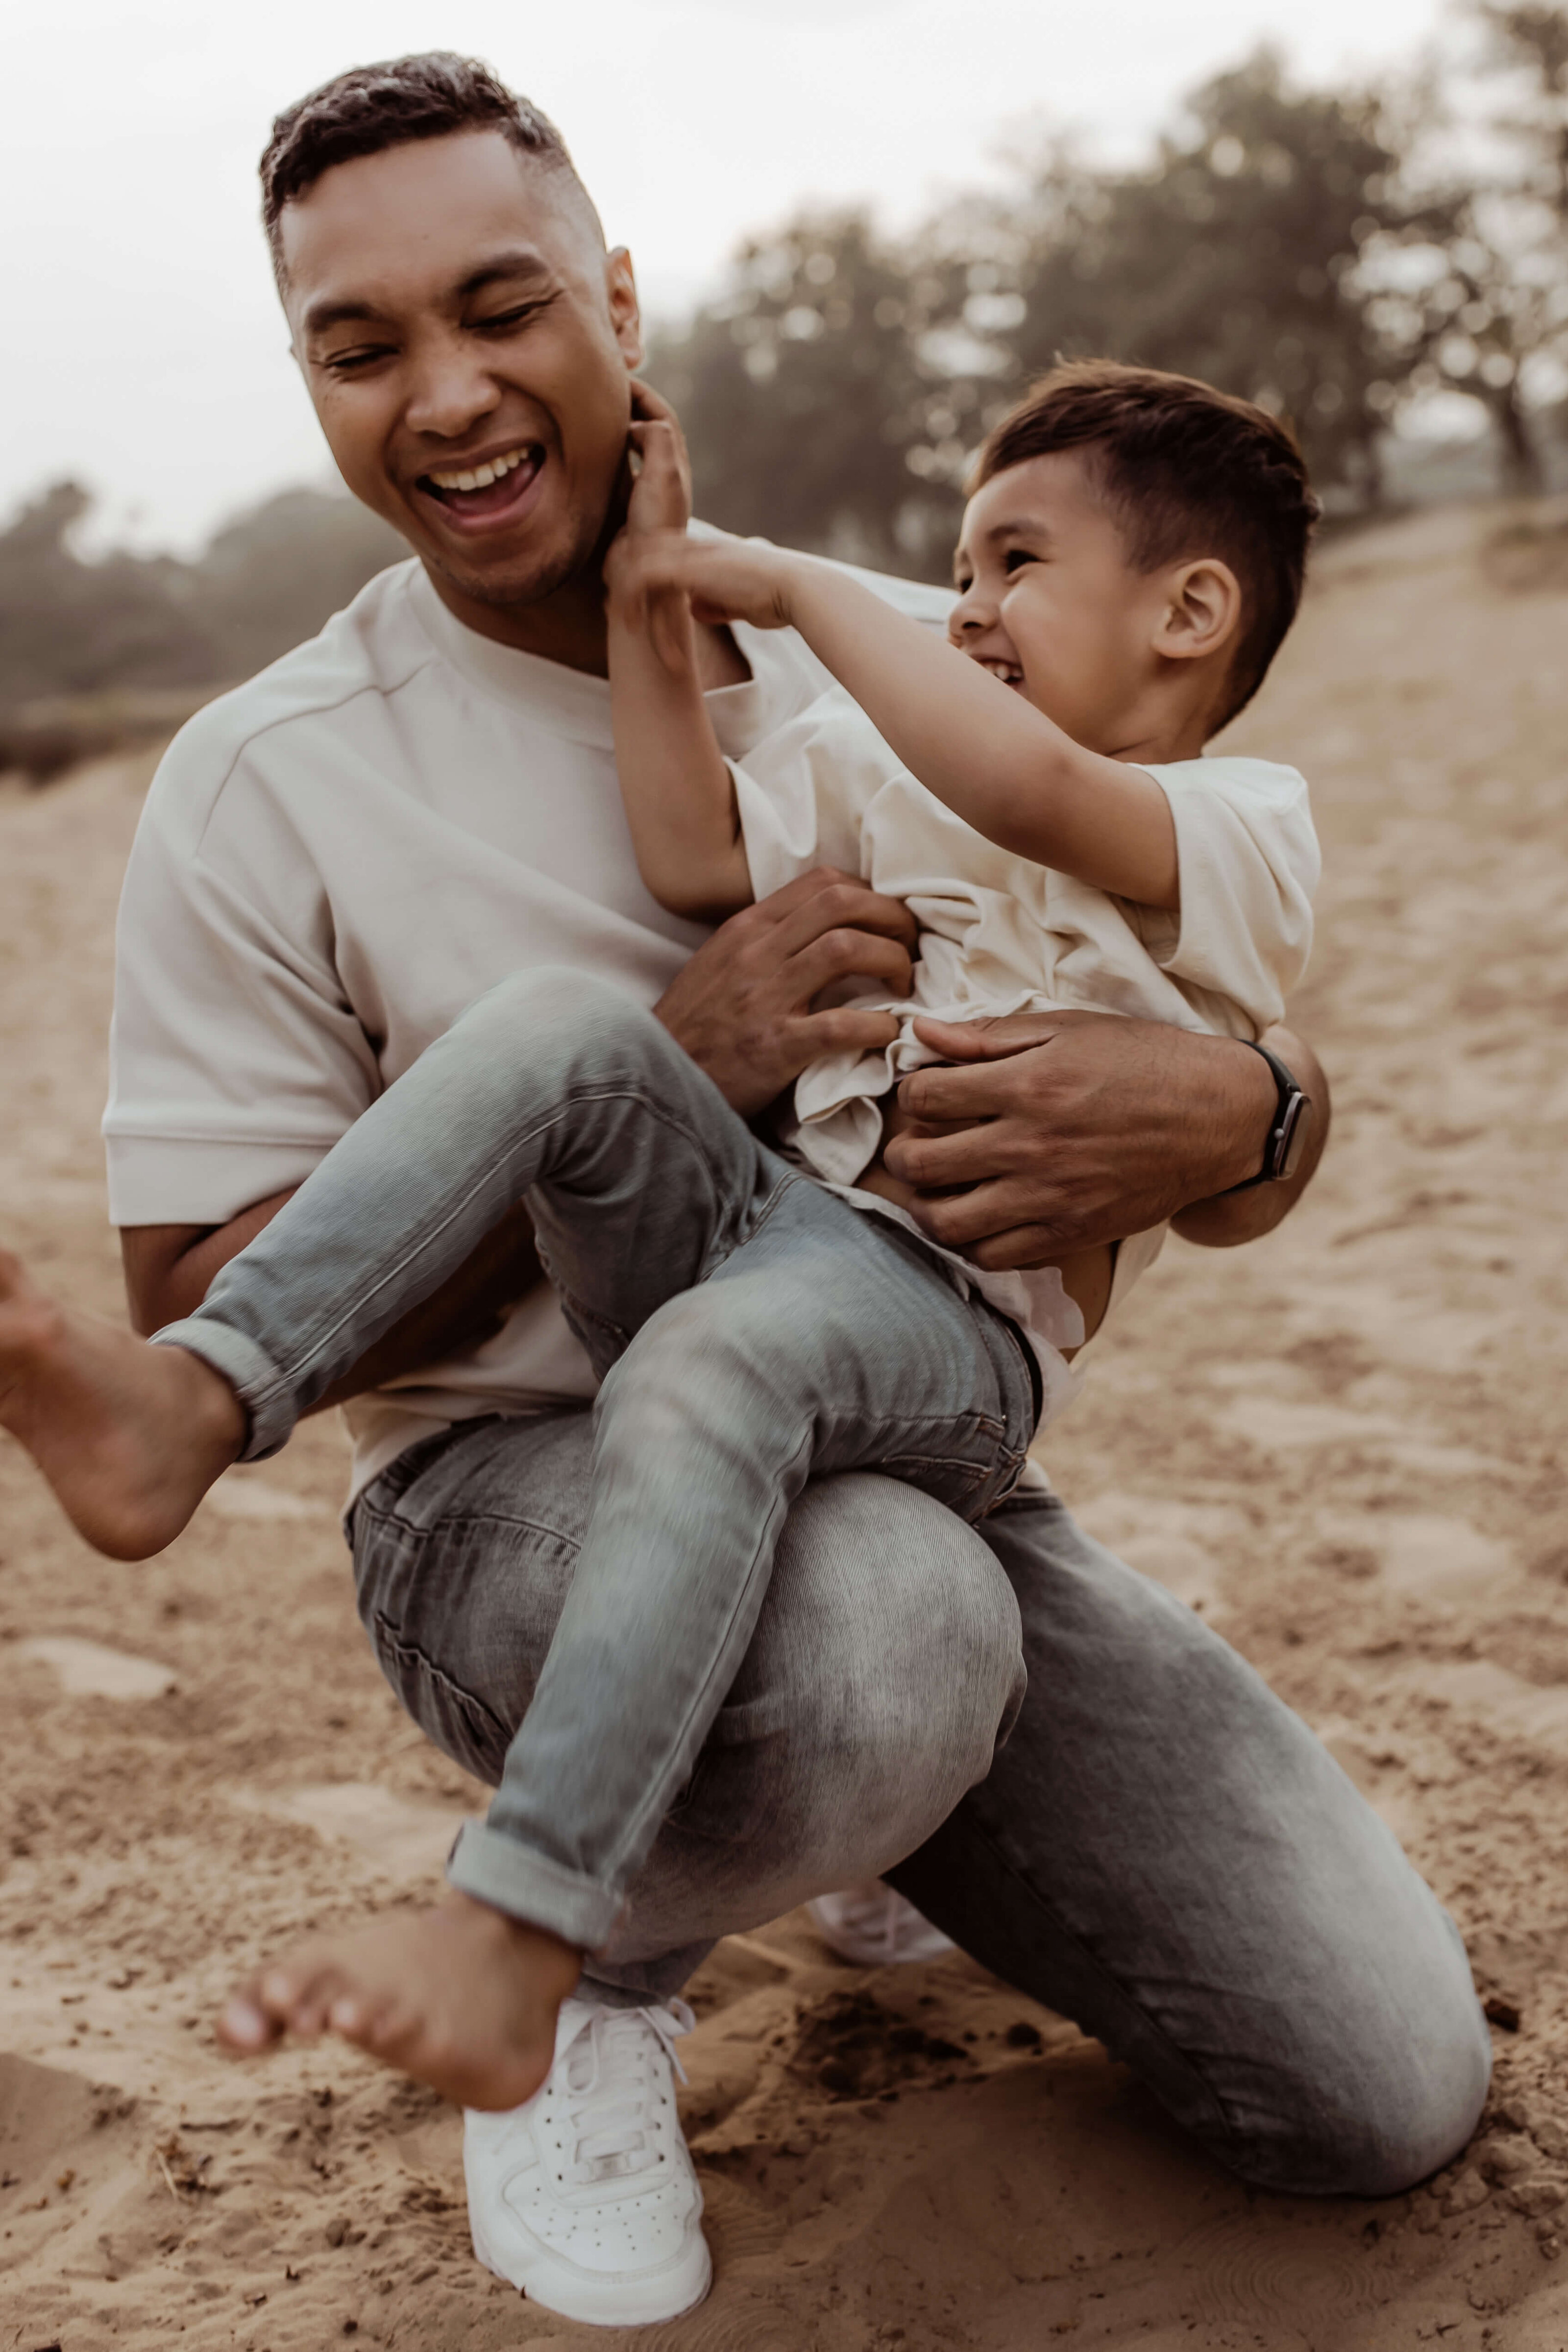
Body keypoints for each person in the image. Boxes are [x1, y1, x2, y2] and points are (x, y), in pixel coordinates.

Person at [0, 51, 1488, 2333]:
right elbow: (206, 1253)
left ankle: (854, 1808)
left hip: (898, 1417)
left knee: (1373, 2086)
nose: (449, 394)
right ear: (308, 377)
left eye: (501, 308)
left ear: (612, 299)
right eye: (359, 343)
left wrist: (1250, 1113)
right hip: (511, 1498)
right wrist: (688, 1046)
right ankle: (579, 1974)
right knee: (881, 1601)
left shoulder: (910, 651)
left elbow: (1161, 938)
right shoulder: (256, 779)